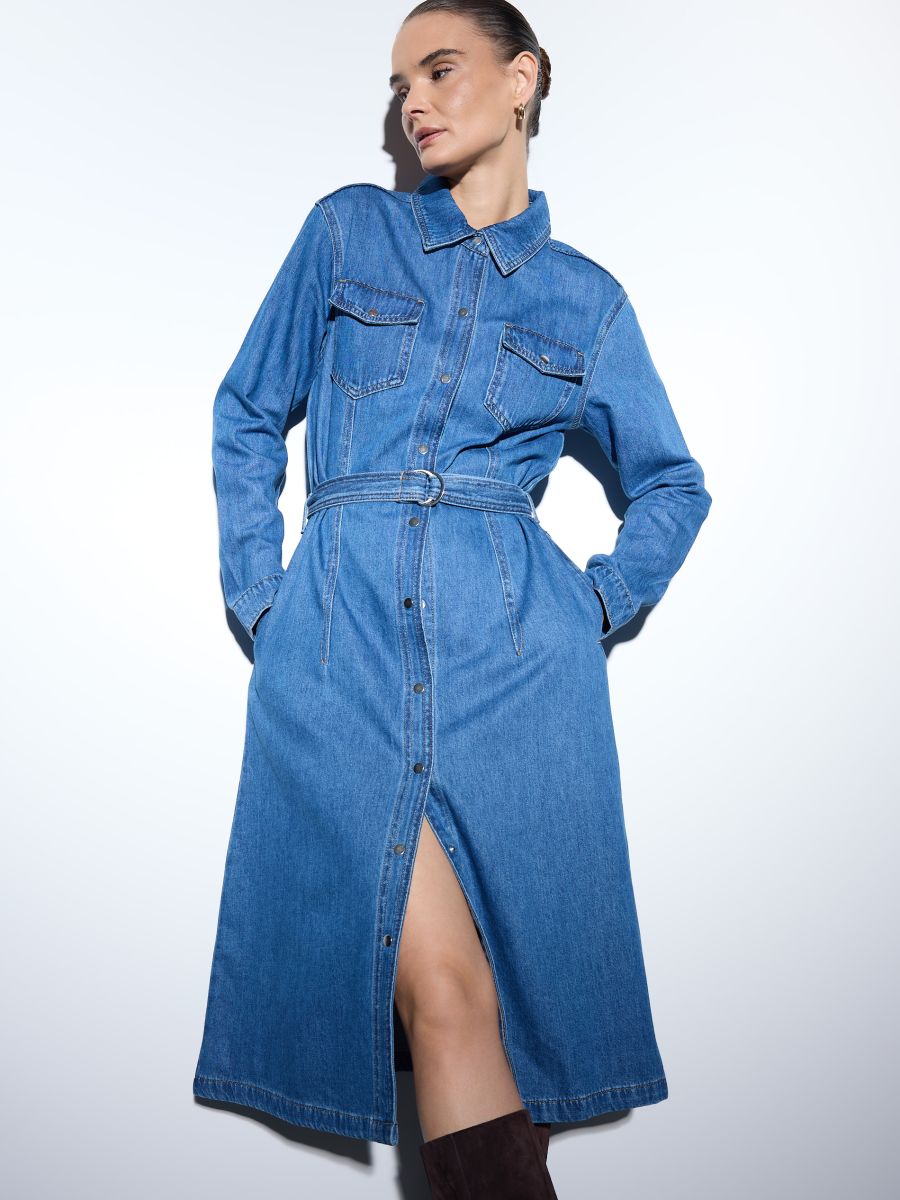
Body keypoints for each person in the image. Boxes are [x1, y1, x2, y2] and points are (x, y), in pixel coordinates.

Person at [193, 2, 712, 1196]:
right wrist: (266, 602)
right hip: (341, 649)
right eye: (399, 84)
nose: (412, 103)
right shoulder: (348, 231)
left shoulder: (586, 301)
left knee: (489, 1009)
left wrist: (592, 607)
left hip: (517, 675)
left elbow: (673, 483)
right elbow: (247, 412)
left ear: (521, 79)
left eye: (439, 69)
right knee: (440, 986)